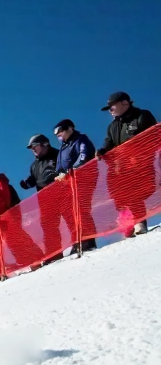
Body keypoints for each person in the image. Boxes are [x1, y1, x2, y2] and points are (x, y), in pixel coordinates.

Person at [97, 91, 158, 237]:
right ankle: (127, 224)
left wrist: (140, 154)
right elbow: (109, 142)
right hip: (120, 168)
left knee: (135, 193)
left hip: (141, 165)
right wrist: (103, 150)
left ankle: (139, 223)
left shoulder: (142, 116)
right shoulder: (113, 126)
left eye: (112, 106)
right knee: (119, 196)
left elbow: (155, 137)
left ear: (124, 102)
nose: (110, 111)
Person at [52, 120, 98, 253]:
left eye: (61, 130)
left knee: (82, 209)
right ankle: (77, 240)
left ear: (70, 128)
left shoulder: (80, 140)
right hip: (68, 185)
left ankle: (88, 241)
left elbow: (84, 157)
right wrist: (58, 175)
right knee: (70, 213)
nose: (58, 134)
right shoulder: (63, 148)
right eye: (56, 133)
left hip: (82, 181)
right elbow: (59, 167)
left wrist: (69, 172)